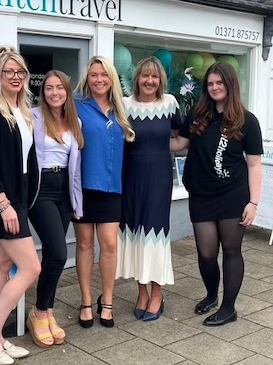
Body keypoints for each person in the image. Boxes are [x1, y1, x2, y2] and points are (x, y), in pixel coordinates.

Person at [171, 61, 262, 326]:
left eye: (219, 83)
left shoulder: (247, 120)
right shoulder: (198, 114)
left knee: (231, 250)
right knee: (206, 254)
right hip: (201, 194)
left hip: (233, 195)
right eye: (210, 84)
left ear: (229, 84)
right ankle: (211, 294)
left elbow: (254, 165)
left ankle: (228, 308)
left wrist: (253, 203)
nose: (214, 88)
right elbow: (180, 142)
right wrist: (146, 137)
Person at [0, 45, 40, 365]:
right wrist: (4, 204)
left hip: (19, 198)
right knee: (31, 268)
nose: (15, 77)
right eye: (8, 72)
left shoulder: (24, 111)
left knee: (1, 267)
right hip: (3, 202)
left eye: (20, 72)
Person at [116, 57, 181, 321]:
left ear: (160, 80)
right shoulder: (123, 105)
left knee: (155, 234)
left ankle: (157, 293)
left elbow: (179, 135)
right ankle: (141, 291)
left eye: (155, 77)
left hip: (159, 178)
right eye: (145, 76)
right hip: (130, 177)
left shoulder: (170, 103)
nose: (149, 81)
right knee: (135, 233)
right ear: (137, 79)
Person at [73, 56, 135, 328]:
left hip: (112, 188)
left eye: (104, 75)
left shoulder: (121, 109)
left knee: (109, 244)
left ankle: (107, 301)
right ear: (87, 78)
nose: (99, 79)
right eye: (94, 74)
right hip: (83, 187)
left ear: (112, 78)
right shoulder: (75, 104)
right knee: (85, 244)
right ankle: (86, 301)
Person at [27, 70, 84, 347]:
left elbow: (76, 170)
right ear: (43, 92)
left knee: (52, 254)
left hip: (64, 190)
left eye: (59, 88)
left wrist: (77, 203)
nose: (54, 93)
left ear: (67, 91)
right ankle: (38, 312)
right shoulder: (32, 117)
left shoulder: (74, 121)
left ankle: (47, 312)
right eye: (49, 88)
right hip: (41, 189)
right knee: (60, 254)